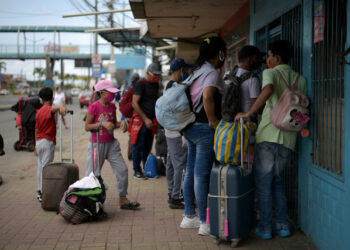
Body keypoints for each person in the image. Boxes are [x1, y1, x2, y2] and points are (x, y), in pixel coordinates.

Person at [235, 40, 307, 239]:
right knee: (277, 182)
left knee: (264, 184)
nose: (268, 59)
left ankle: (266, 228)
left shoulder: (271, 72)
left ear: (276, 57)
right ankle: (283, 225)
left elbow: (267, 91)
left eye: (269, 55)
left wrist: (249, 112)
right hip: (288, 138)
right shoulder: (300, 79)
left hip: (268, 134)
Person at [180, 37, 226, 235]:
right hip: (203, 128)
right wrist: (213, 122)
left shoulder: (197, 70)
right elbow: (207, 96)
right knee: (201, 174)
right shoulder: (211, 73)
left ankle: (189, 215)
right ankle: (204, 222)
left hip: (189, 127)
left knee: (190, 171)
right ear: (220, 54)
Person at [85, 79, 140, 210]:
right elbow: (87, 127)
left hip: (111, 145)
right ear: (103, 93)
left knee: (122, 170)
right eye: (110, 92)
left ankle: (123, 198)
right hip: (96, 145)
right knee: (92, 174)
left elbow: (113, 123)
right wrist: (101, 124)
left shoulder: (112, 106)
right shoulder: (94, 107)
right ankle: (89, 202)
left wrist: (120, 124)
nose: (113, 95)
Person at [164, 58, 193, 209]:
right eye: (185, 70)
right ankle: (176, 197)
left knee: (171, 163)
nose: (186, 73)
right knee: (180, 166)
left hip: (169, 131)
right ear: (179, 71)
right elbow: (180, 111)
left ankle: (171, 192)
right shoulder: (176, 88)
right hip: (176, 132)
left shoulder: (168, 85)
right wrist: (183, 132)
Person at [34, 87, 67, 202]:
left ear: (41, 99)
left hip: (39, 142)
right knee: (46, 167)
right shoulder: (49, 109)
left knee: (40, 167)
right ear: (52, 98)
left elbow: (36, 129)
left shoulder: (38, 112)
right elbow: (55, 109)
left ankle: (39, 190)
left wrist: (35, 146)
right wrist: (61, 107)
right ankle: (43, 192)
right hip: (47, 141)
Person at [130, 63, 161, 179]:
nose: (156, 77)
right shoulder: (140, 84)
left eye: (158, 75)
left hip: (151, 121)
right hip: (141, 121)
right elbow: (135, 103)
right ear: (148, 72)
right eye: (155, 74)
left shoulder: (156, 85)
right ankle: (136, 170)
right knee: (138, 146)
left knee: (148, 146)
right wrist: (146, 119)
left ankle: (146, 168)